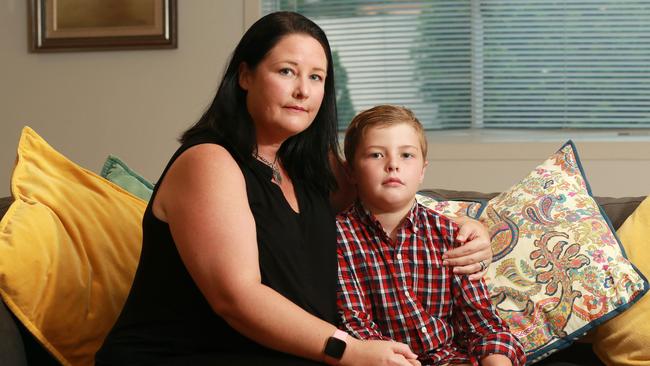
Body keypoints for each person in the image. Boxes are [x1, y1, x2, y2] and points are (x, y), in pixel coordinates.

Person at [96, 12, 493, 366]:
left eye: (316, 77)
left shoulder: (312, 165)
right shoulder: (208, 162)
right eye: (286, 71)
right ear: (245, 75)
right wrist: (348, 350)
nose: (303, 90)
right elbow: (236, 299)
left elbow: (389, 194)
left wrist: (469, 228)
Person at [336, 105, 526, 366]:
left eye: (406, 155)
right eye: (376, 155)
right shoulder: (339, 237)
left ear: (423, 171)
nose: (393, 165)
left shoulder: (451, 235)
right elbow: (355, 325)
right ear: (351, 172)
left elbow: (482, 324)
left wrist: (496, 360)